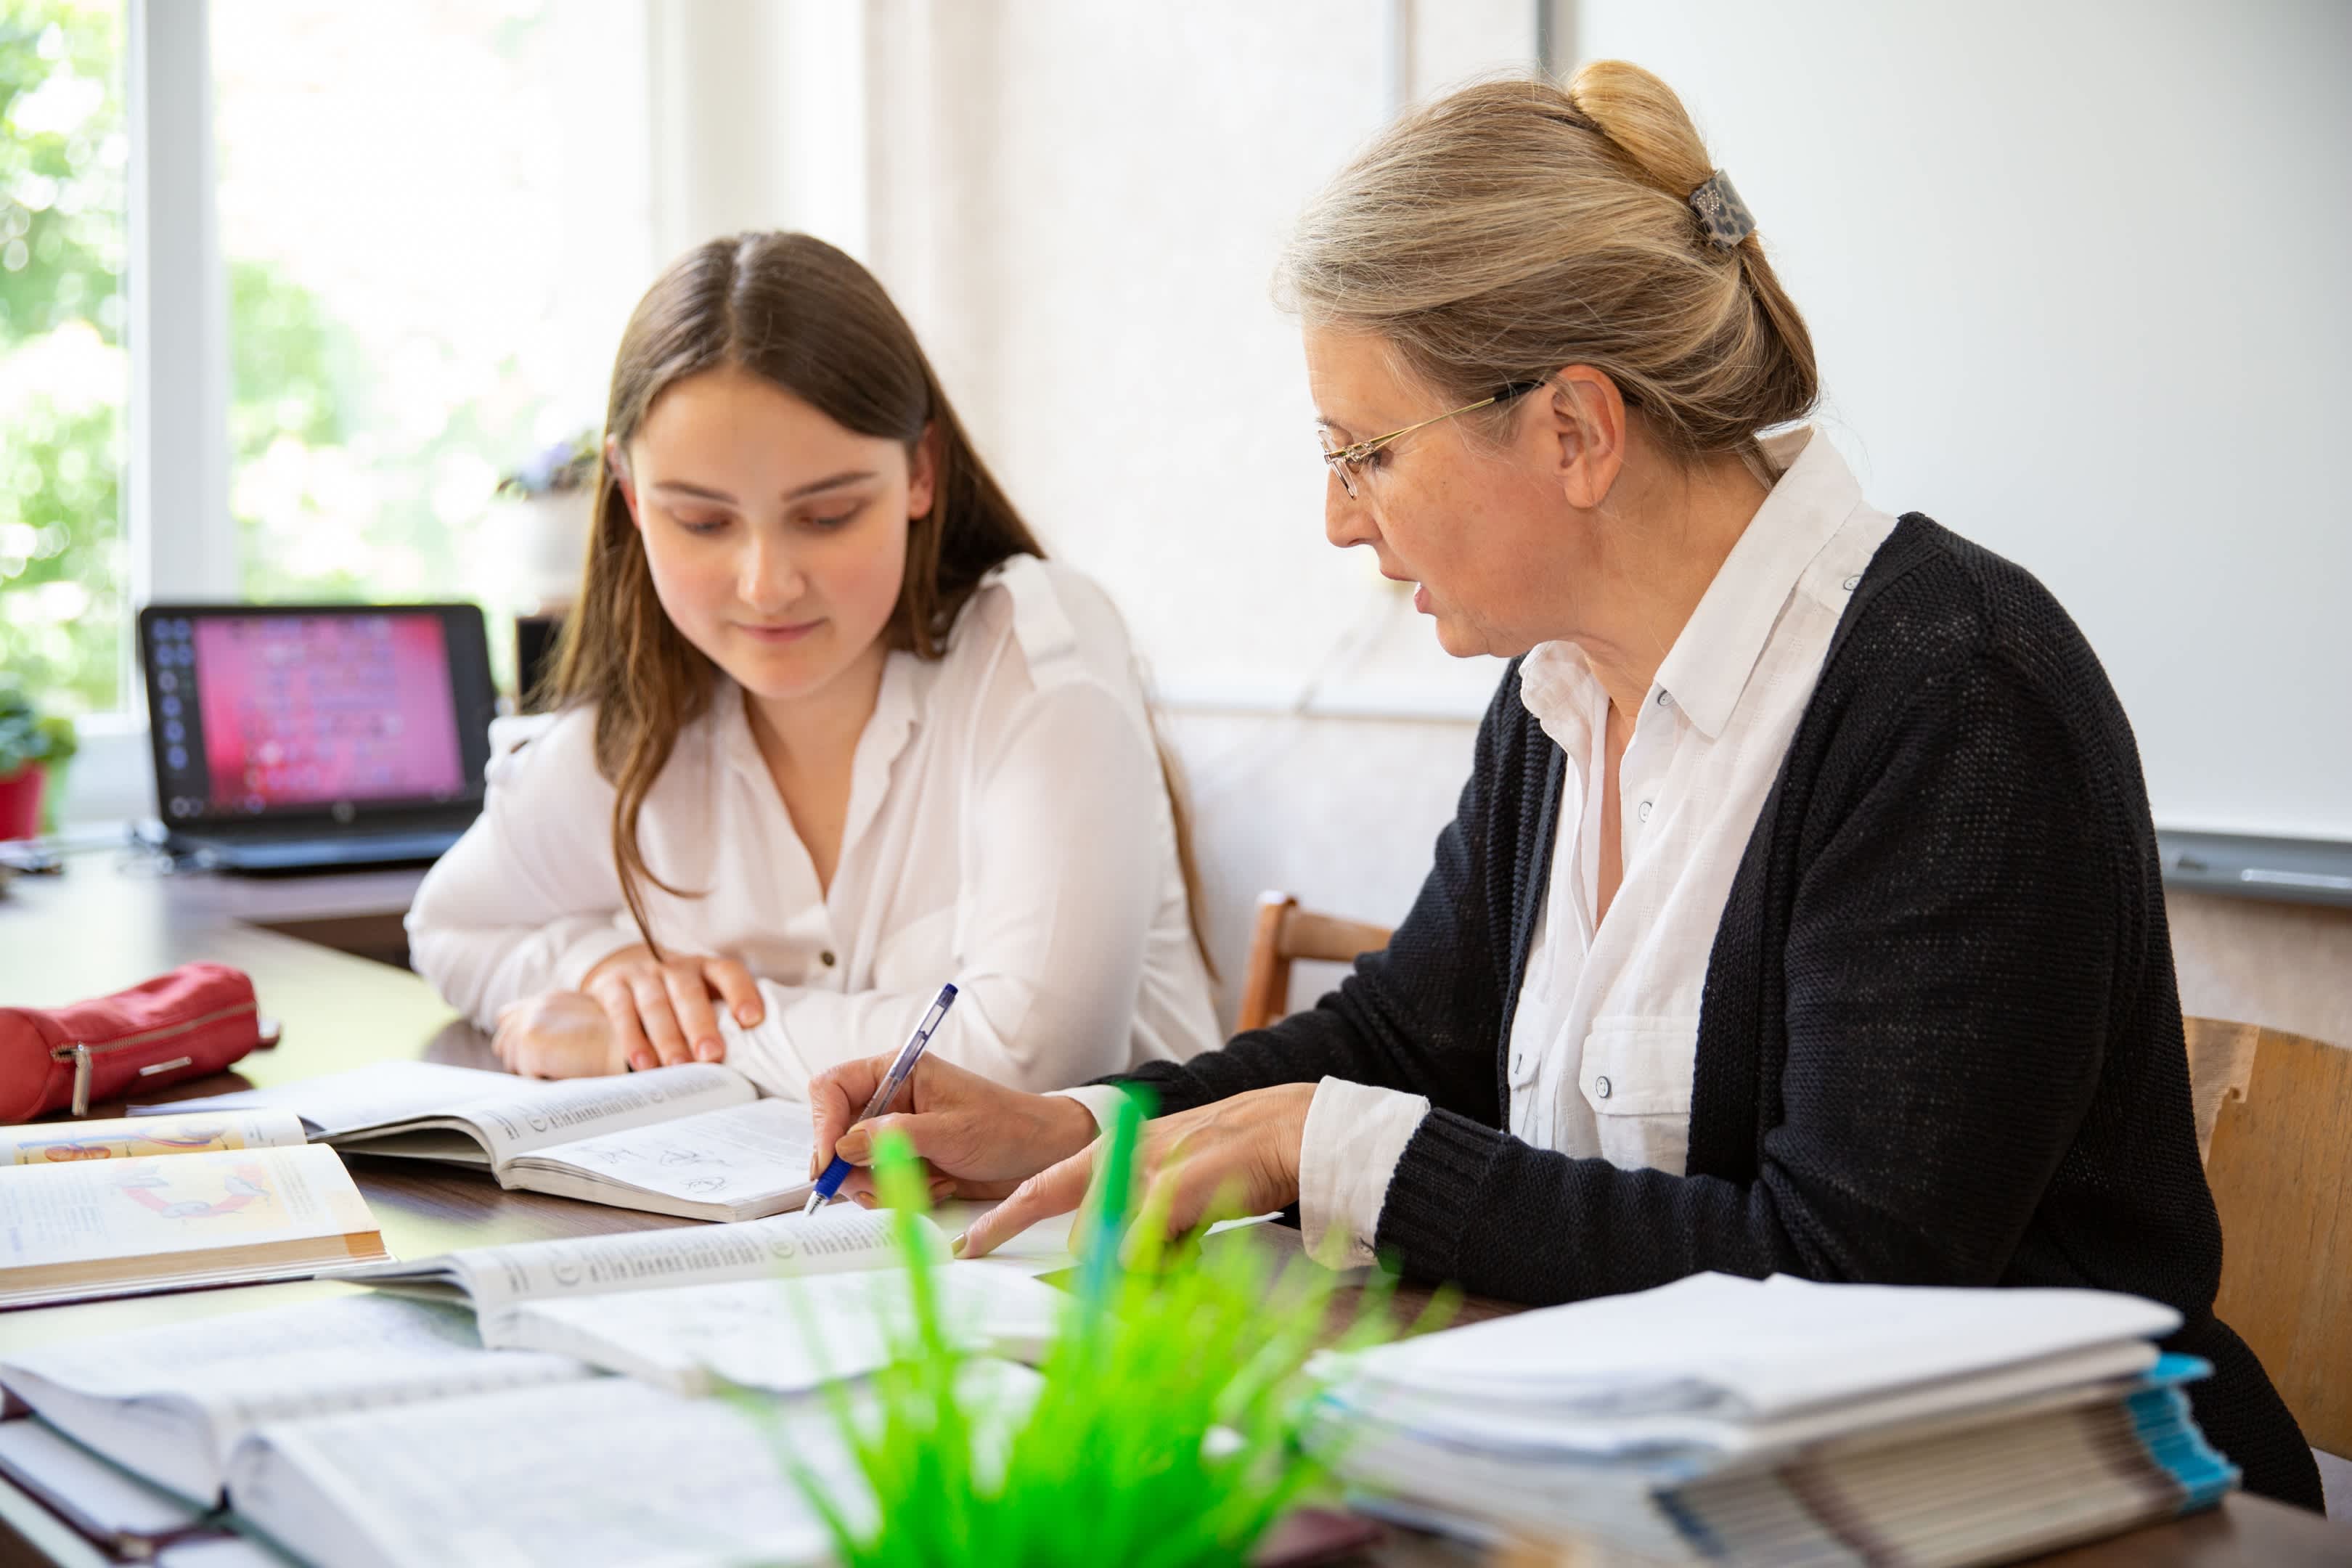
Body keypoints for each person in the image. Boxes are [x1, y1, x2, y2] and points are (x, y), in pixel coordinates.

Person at [802, 65, 2323, 1508]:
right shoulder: (1559, 684)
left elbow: (1861, 1282)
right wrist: (1080, 1129)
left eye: (1363, 456)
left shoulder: (1955, 690)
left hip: (2068, 1508)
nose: (1338, 521)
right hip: (1680, 1481)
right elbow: (1411, 1036)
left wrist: (1342, 1150)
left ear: (1575, 430)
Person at [407, 232, 1220, 1098]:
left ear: (920, 473)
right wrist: (606, 967)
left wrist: (666, 1043)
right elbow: (451, 927)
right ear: (632, 496)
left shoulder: (1040, 649)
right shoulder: (642, 725)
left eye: (827, 515)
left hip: (1113, 1234)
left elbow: (1027, 1062)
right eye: (703, 523)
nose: (766, 586)